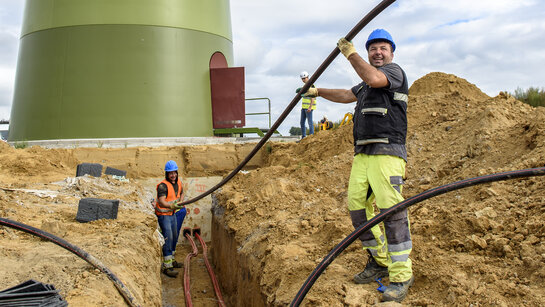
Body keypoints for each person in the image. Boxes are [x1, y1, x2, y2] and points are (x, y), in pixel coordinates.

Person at [303, 29, 412, 302]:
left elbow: (375, 78)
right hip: (363, 154)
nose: (377, 52)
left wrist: (348, 53)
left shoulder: (393, 73)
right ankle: (380, 261)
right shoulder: (364, 86)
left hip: (387, 152)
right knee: (357, 210)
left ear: (391, 52)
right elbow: (345, 94)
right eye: (372, 48)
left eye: (382, 48)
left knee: (392, 213)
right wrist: (316, 90)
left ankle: (401, 275)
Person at [155, 160, 186, 278]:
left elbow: (182, 192)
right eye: (170, 173)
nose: (173, 175)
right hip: (164, 215)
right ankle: (167, 267)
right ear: (167, 174)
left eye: (174, 173)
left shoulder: (178, 182)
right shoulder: (163, 186)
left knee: (174, 236)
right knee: (168, 238)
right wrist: (171, 205)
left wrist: (180, 201)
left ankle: (172, 260)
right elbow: (162, 202)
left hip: (172, 214)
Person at [298, 71, 316, 138]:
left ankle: (311, 136)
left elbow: (313, 97)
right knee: (302, 123)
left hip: (309, 108)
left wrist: (310, 107)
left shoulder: (311, 85)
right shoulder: (304, 86)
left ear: (307, 77)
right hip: (303, 107)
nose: (303, 80)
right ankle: (304, 137)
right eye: (302, 79)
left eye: (304, 78)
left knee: (310, 123)